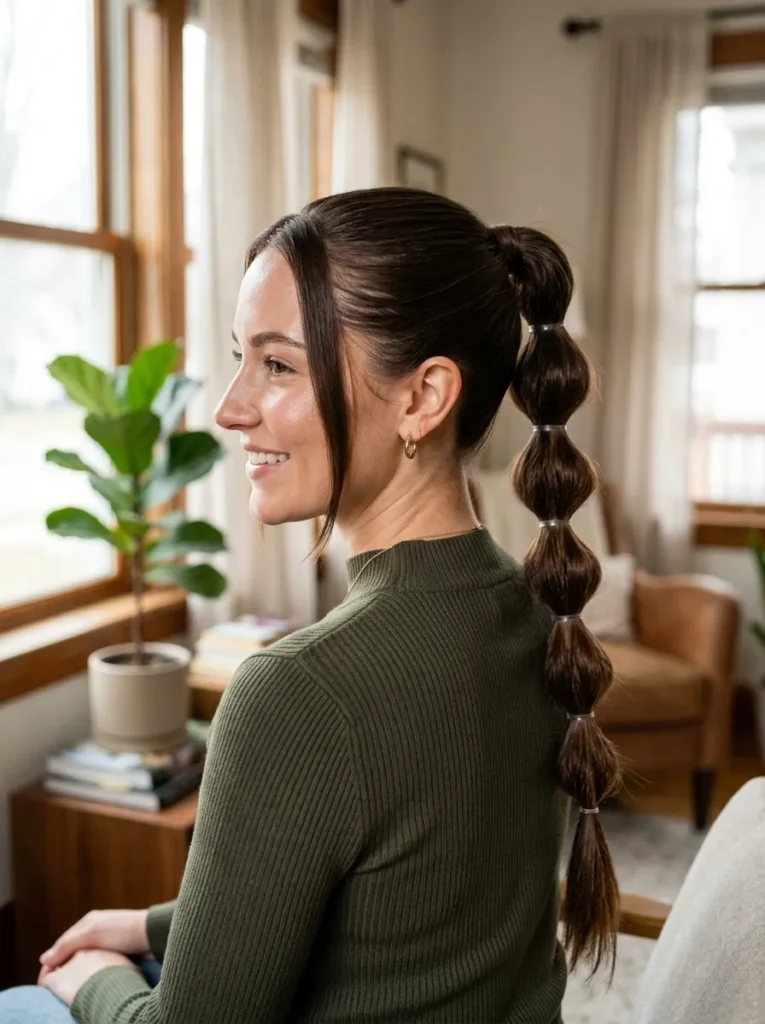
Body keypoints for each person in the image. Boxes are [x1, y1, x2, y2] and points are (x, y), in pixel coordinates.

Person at [0, 188, 620, 1023]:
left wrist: (95, 980)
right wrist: (152, 926)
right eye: (241, 358)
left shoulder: (299, 694)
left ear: (422, 397)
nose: (229, 408)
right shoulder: (541, 615)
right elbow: (410, 901)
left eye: (278, 365)